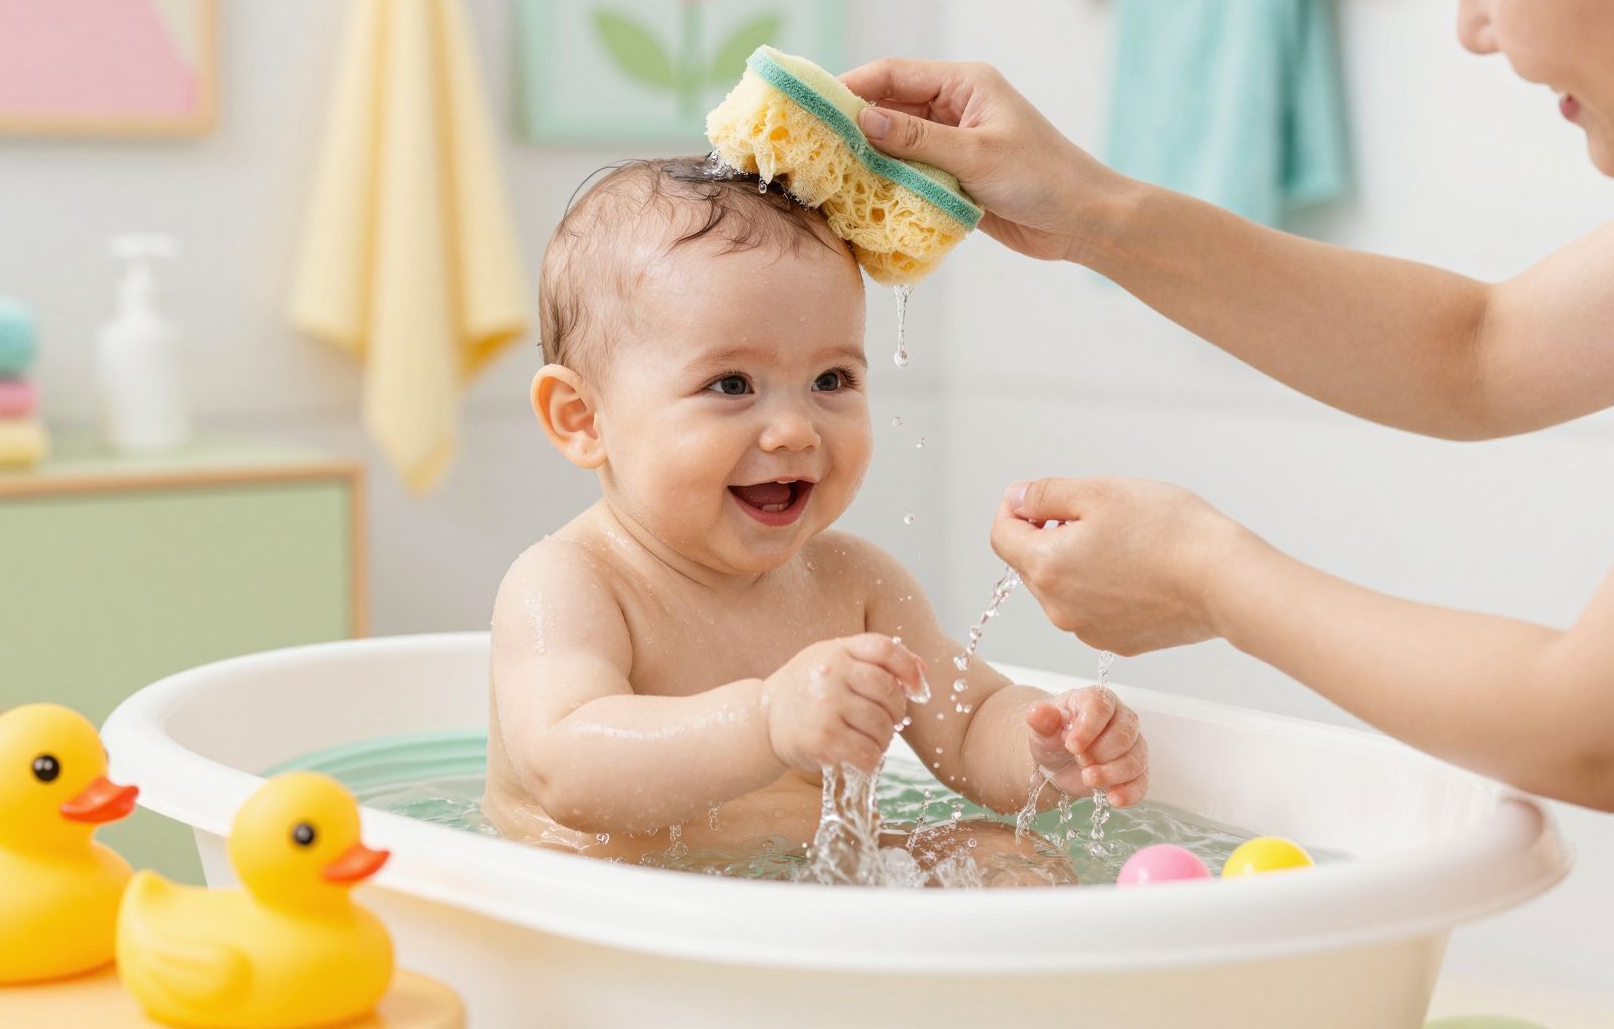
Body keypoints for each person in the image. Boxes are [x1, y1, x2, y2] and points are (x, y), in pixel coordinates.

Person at [842, 0, 1614, 1018]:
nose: (1470, 29)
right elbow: (1474, 349)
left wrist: (1209, 577)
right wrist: (1091, 209)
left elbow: (1595, 731)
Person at [483, 158, 1149, 884]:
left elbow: (967, 722)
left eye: (832, 380)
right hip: (622, 902)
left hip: (805, 888)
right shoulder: (570, 583)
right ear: (583, 419)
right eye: (731, 385)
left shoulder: (856, 585)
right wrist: (767, 718)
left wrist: (1048, 749)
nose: (794, 430)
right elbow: (568, 768)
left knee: (1009, 855)